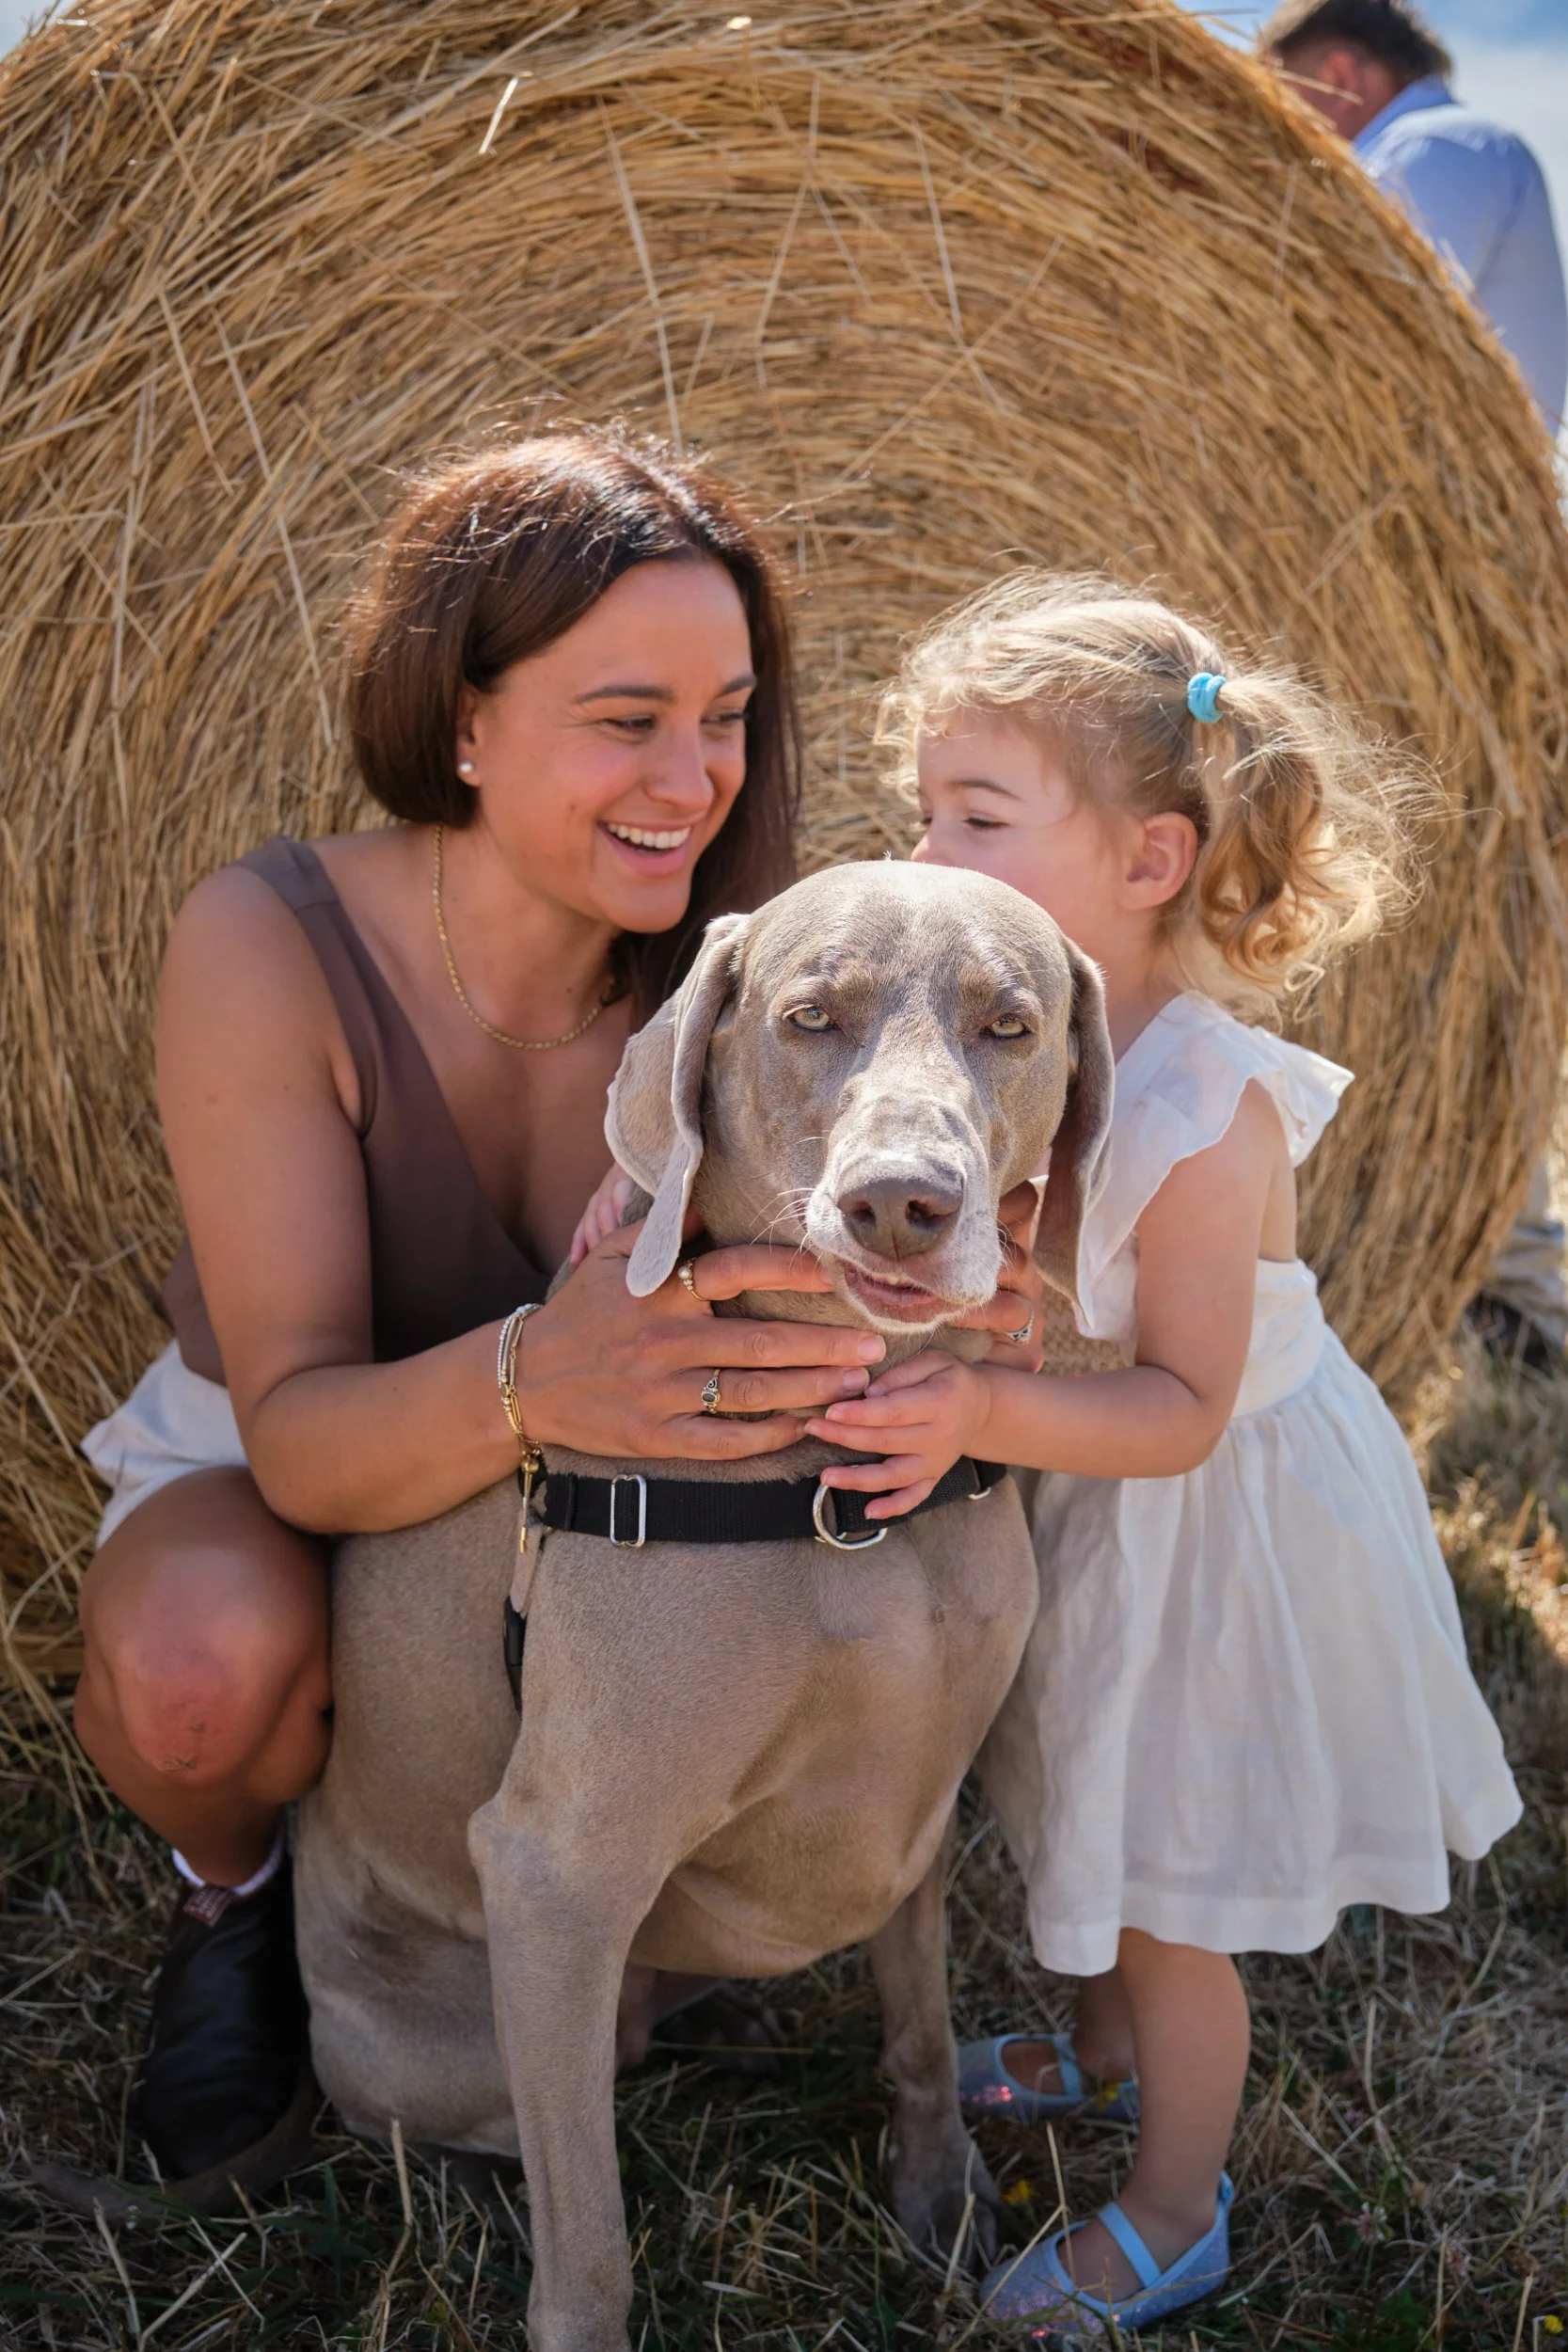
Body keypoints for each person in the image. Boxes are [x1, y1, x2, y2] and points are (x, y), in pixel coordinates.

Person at [75, 429, 1042, 2188]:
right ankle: (244, 1906)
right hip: (314, 1450)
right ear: (462, 716)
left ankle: (641, 1894)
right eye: (625, 719)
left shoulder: (759, 966)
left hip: (599, 1507)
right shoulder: (271, 939)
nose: (694, 776)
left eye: (728, 714)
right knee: (201, 1678)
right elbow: (297, 1429)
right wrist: (535, 1376)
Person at [788, 574, 1522, 2338]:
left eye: (978, 816)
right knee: (1081, 1791)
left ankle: (1172, 2204)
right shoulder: (1028, 1048)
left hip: (1221, 1526)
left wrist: (968, 1406)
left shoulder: (1200, 1103)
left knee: (1174, 1878)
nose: (929, 848)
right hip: (1114, 1496)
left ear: (1149, 860)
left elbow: (1185, 1402)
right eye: (924, 810)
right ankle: (1098, 2044)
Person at [1261, 0, 1568, 1371]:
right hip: (1428, 599)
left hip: (1471, 616)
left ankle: (1513, 1280)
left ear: (1337, 77)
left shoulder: (1453, 141)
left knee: (1476, 929)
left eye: (1284, 117)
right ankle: (1500, 1268)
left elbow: (1335, 312)